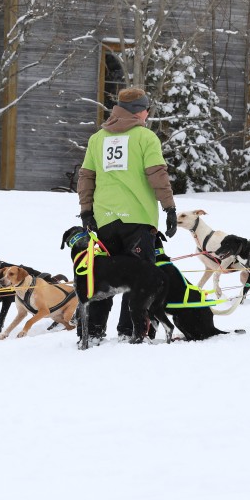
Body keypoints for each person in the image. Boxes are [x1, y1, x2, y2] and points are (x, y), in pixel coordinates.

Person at [76, 86, 177, 342]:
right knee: (139, 277)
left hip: (105, 220)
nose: (147, 115)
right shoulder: (145, 138)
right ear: (137, 111)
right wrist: (169, 208)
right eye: (146, 110)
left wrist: (86, 211)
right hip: (138, 219)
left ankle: (95, 333)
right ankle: (131, 332)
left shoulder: (97, 139)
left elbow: (86, 177)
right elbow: (157, 174)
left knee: (101, 276)